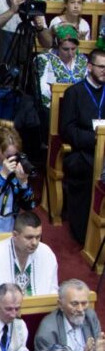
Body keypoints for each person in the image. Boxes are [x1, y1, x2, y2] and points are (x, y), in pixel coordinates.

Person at [0, 0, 53, 166]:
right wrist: (12, 11)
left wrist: (40, 26)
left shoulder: (33, 8)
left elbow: (48, 43)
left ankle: (1, 169)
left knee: (8, 132)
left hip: (16, 84)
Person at [59, 48, 105, 245]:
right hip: (82, 152)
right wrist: (95, 139)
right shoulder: (74, 93)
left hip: (104, 153)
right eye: (101, 67)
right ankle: (84, 235)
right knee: (88, 170)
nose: (104, 71)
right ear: (89, 67)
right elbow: (67, 130)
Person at [0, 212, 59, 300]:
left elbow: (53, 294)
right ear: (15, 235)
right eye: (29, 237)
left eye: (38, 237)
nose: (34, 243)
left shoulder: (47, 254)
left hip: (41, 308)